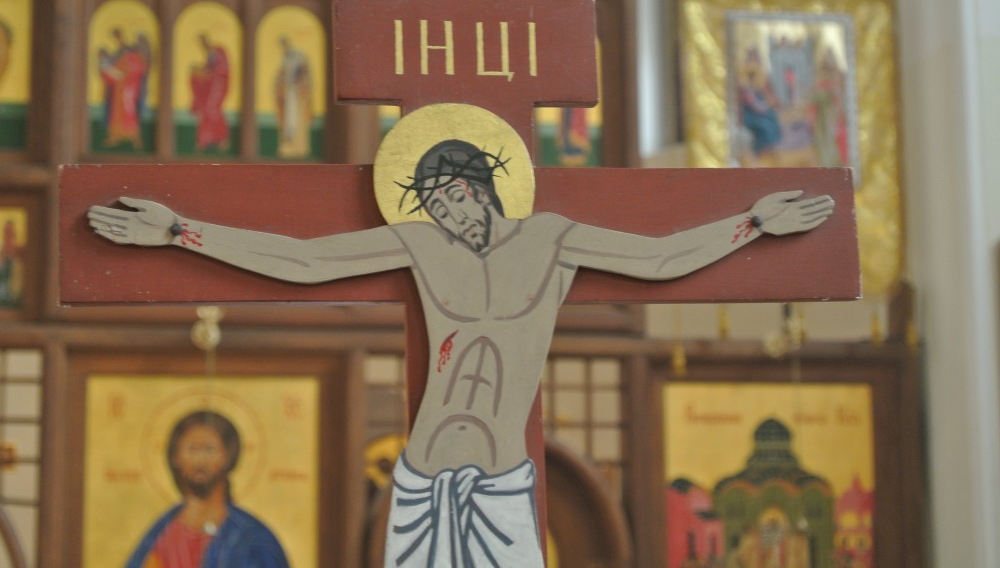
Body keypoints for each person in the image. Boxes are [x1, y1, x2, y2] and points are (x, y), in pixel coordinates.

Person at [90, 137, 834, 568]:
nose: (447, 214)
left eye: (453, 196)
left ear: (482, 187)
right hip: (420, 482)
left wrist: (751, 225)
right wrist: (181, 231)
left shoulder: (550, 240)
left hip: (503, 483)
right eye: (434, 204)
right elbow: (306, 261)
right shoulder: (423, 245)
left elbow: (661, 258)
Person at [124, 411, 289, 568]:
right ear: (176, 458)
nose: (200, 460)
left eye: (209, 449)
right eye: (192, 449)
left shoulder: (253, 537)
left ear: (228, 457)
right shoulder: (161, 534)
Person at [99, 28, 150, 149]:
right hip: (119, 91)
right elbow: (111, 72)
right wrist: (109, 70)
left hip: (129, 91)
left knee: (129, 112)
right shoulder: (119, 57)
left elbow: (138, 71)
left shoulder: (135, 58)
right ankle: (115, 136)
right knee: (117, 112)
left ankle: (134, 137)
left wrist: (120, 74)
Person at [273, 36, 312, 159]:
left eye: (284, 45)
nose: (283, 48)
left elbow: (304, 73)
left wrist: (298, 83)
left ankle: (299, 148)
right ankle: (288, 146)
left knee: (296, 118)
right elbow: (281, 75)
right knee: (288, 119)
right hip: (288, 92)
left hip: (297, 93)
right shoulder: (285, 59)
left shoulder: (297, 57)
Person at [190, 34, 230, 152]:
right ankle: (206, 139)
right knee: (206, 110)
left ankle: (221, 138)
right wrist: (199, 70)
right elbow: (208, 69)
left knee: (211, 109)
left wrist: (203, 71)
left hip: (218, 86)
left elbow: (215, 70)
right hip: (212, 85)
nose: (202, 46)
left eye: (203, 42)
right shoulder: (211, 55)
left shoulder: (217, 52)